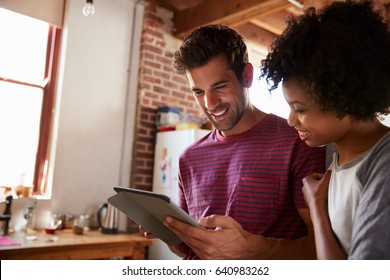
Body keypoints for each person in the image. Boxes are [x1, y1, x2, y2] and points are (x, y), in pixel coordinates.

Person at [142, 24, 326, 260]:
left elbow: (323, 248)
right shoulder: (189, 158)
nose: (209, 103)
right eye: (198, 92)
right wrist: (171, 232)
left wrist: (255, 250)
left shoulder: (298, 141)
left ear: (247, 76)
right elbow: (190, 251)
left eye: (219, 86)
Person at [260, 0, 390, 259]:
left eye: (301, 109)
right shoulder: (334, 153)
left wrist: (317, 208)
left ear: (345, 98)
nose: (291, 120)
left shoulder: (384, 167)